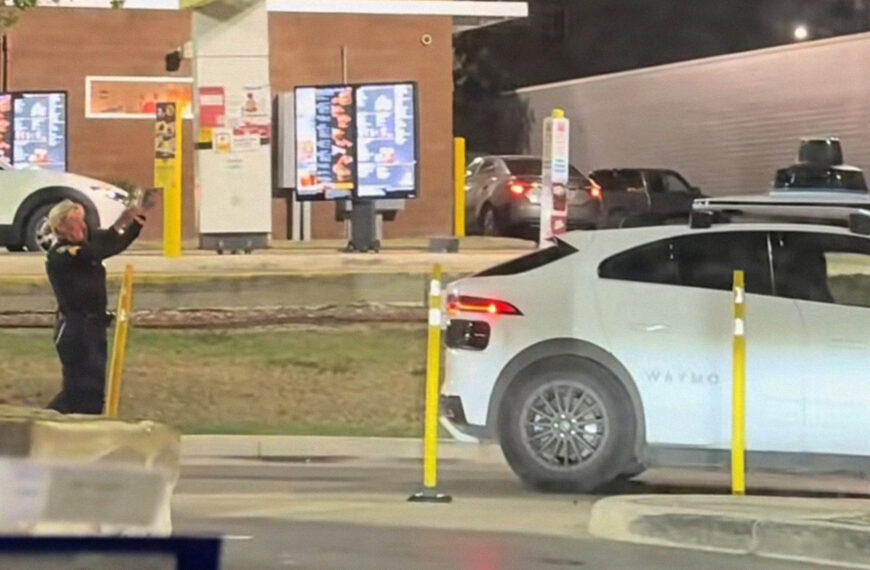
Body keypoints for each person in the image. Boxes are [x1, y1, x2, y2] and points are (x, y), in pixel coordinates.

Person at [45, 200, 148, 414]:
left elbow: (112, 241)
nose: (83, 227)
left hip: (94, 327)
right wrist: (122, 224)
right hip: (75, 329)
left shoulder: (84, 246)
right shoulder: (61, 254)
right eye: (76, 222)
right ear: (61, 227)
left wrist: (133, 222)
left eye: (83, 221)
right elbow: (96, 251)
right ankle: (41, 427)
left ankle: (78, 434)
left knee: (93, 392)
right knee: (78, 390)